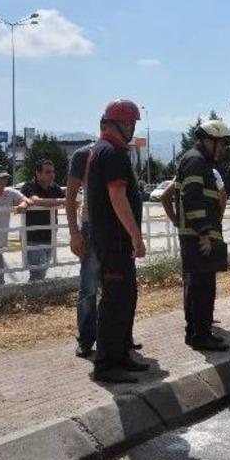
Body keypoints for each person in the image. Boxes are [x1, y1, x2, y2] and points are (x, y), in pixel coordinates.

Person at [87, 98, 148, 383]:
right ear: (120, 124)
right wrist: (136, 235)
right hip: (115, 242)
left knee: (125, 298)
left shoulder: (103, 150)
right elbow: (117, 196)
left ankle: (122, 353)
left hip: (115, 242)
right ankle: (106, 364)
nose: (132, 127)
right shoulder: (112, 153)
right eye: (130, 123)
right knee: (114, 303)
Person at [175, 119, 230, 351]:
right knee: (202, 288)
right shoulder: (196, 161)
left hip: (196, 235)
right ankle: (201, 335)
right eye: (223, 144)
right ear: (211, 140)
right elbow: (193, 199)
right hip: (198, 237)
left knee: (198, 287)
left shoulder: (197, 160)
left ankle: (197, 333)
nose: (224, 149)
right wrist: (204, 234)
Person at [66, 143, 100, 357]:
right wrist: (75, 233)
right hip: (92, 228)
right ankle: (86, 339)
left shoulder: (121, 152)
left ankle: (119, 335)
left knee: (118, 287)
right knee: (89, 287)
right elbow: (70, 199)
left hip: (116, 230)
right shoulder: (83, 155)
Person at [21, 159, 65, 281]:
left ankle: (33, 297)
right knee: (38, 273)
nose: (52, 175)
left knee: (42, 272)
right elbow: (36, 201)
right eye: (48, 172)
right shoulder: (29, 186)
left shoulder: (54, 187)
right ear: (38, 173)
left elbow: (68, 199)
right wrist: (62, 201)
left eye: (53, 172)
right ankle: (32, 297)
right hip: (33, 237)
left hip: (50, 235)